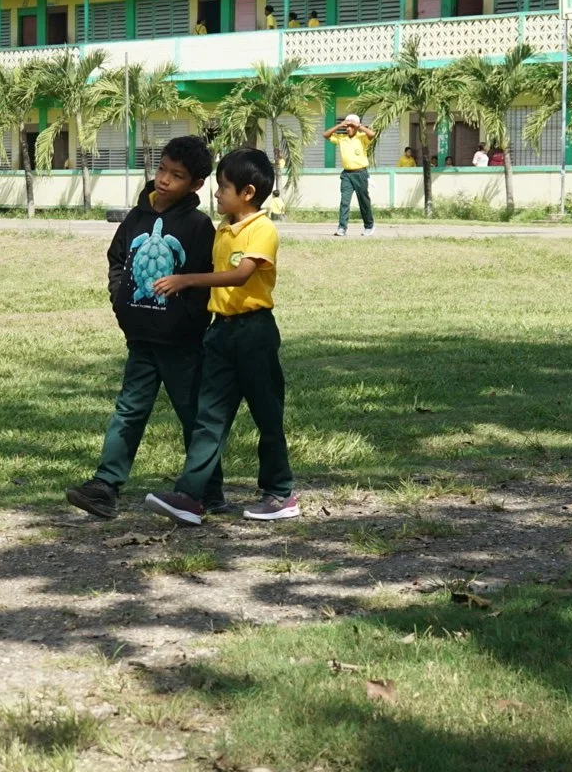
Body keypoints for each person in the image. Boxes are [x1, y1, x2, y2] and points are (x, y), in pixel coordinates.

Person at [66, 136, 220, 521]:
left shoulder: (200, 227)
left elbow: (205, 278)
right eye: (163, 170)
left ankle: (208, 490)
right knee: (129, 410)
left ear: (196, 184)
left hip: (182, 342)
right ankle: (105, 486)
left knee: (193, 414)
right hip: (141, 338)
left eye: (177, 176)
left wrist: (189, 320)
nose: (165, 180)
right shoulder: (135, 218)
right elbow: (118, 260)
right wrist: (121, 302)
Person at [143, 147, 297, 524]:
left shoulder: (262, 229)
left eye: (223, 187)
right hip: (220, 334)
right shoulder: (223, 230)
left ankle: (280, 492)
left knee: (267, 413)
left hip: (254, 333)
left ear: (247, 192)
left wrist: (186, 280)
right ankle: (190, 497)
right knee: (208, 417)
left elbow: (241, 274)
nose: (216, 193)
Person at [325, 113, 376, 237]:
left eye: (351, 126)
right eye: (347, 126)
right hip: (347, 174)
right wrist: (340, 125)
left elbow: (372, 134)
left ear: (356, 127)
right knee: (344, 201)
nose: (348, 128)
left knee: (363, 201)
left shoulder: (362, 137)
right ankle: (342, 227)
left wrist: (358, 125)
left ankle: (369, 226)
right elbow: (326, 135)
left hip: (361, 173)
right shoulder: (341, 138)